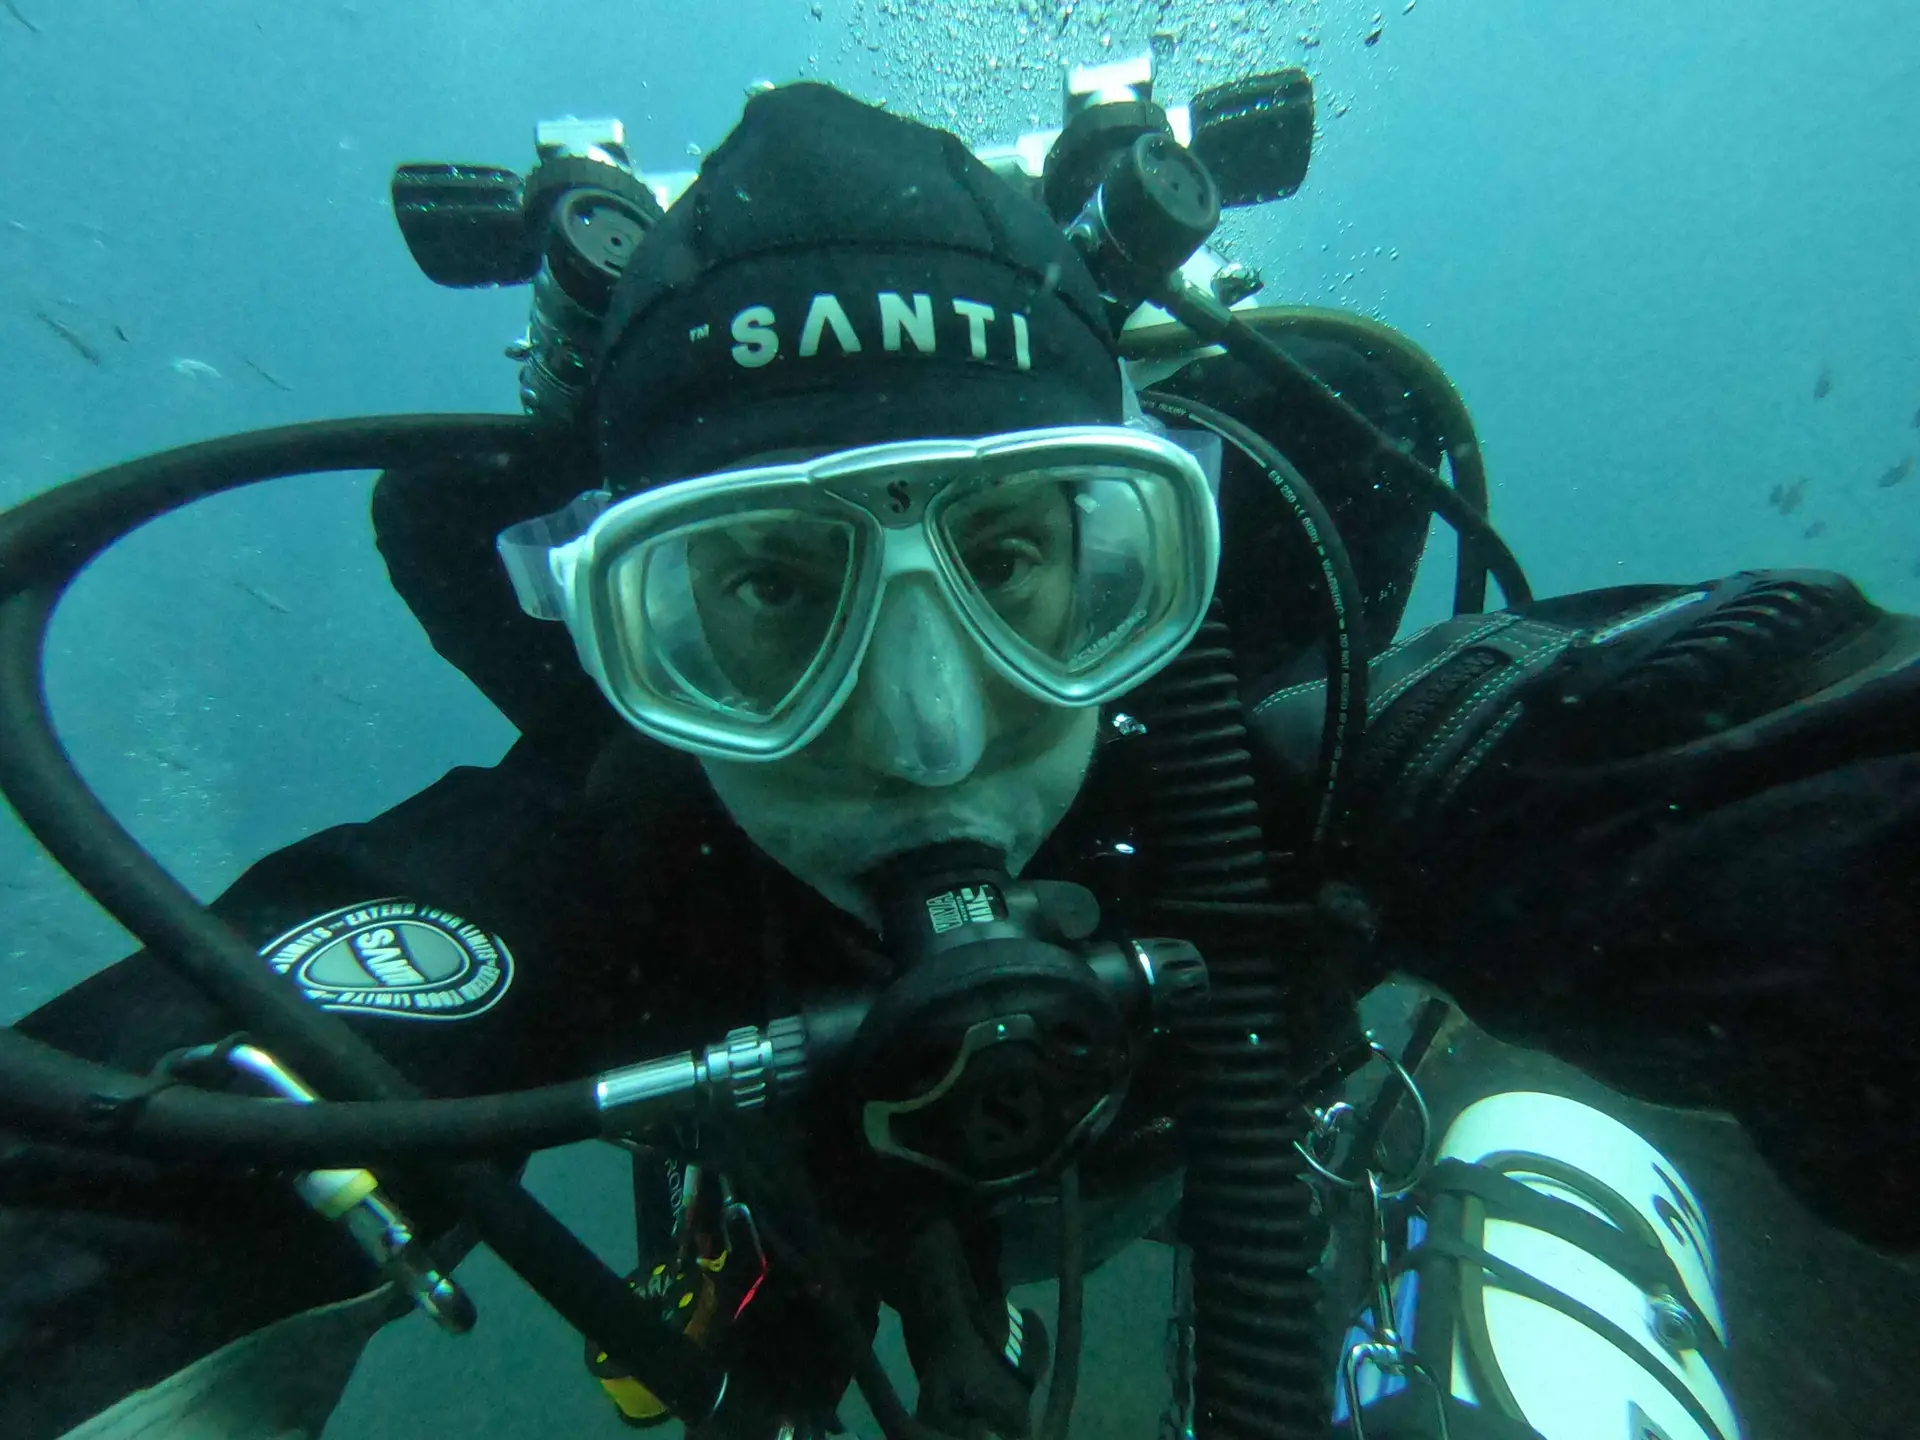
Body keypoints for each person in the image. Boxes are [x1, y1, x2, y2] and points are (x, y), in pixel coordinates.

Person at [1, 79, 1916, 1440]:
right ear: (623, 635)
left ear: (1140, 561)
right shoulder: (576, 872)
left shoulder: (1289, 765)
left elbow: (1745, 755)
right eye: (770, 588)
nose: (927, 735)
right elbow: (112, 1178)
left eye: (1010, 563)